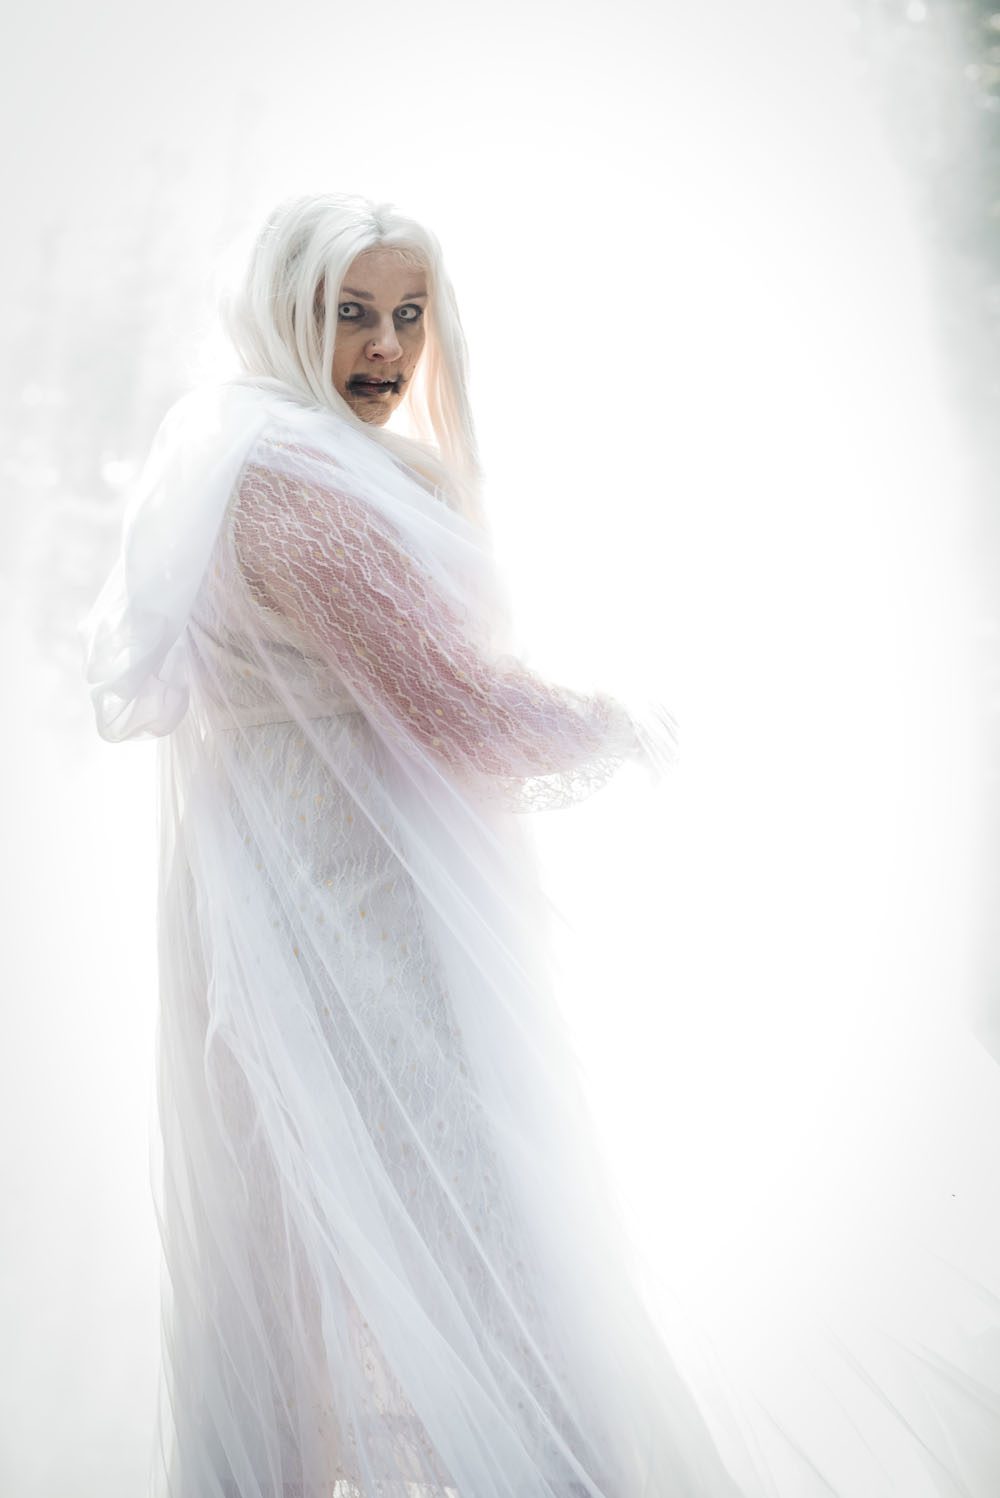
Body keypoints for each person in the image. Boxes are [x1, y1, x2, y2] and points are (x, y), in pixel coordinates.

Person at [77, 192, 748, 1498]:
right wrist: (624, 724)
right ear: (284, 313)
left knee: (349, 1231)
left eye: (407, 313)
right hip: (343, 918)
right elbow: (452, 702)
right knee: (449, 1224)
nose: (385, 348)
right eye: (350, 313)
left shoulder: (263, 456)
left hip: (311, 900)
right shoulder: (288, 485)